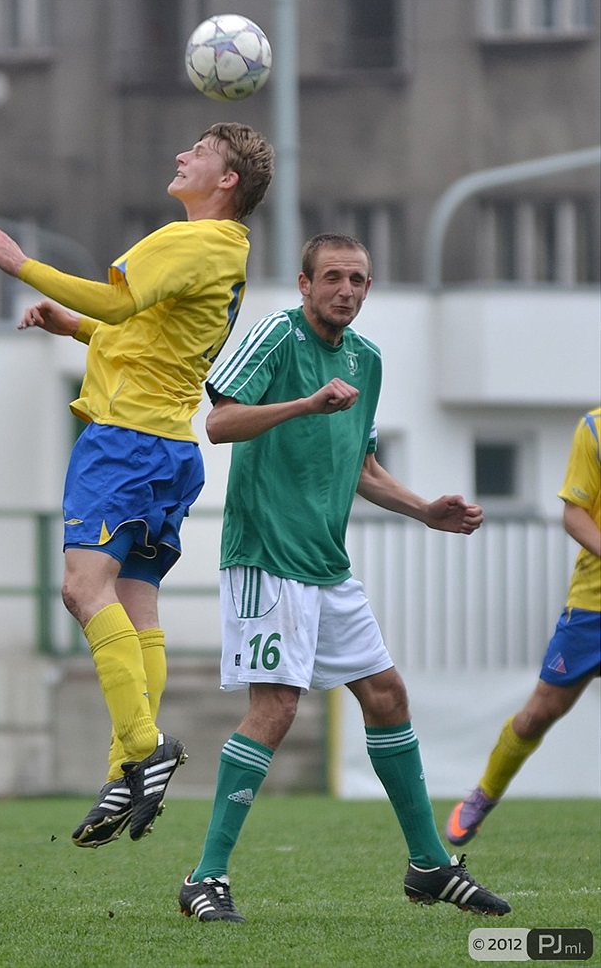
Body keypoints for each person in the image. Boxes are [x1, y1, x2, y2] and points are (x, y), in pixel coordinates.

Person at [177, 233, 511, 923]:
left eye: (358, 280)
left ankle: (429, 866)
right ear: (304, 285)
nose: (347, 292)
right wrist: (304, 403)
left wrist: (424, 509)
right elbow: (220, 423)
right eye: (332, 278)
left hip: (327, 565)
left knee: (387, 696)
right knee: (276, 708)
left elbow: (360, 466)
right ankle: (204, 878)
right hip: (265, 556)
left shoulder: (367, 360)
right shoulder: (276, 335)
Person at [0, 122, 274, 848]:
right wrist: (71, 328)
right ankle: (121, 775)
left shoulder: (190, 239)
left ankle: (144, 750)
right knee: (136, 606)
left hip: (126, 444)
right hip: (170, 447)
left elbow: (116, 304)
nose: (180, 155)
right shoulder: (228, 252)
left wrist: (23, 266)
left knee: (81, 589)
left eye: (197, 152)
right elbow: (147, 334)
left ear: (226, 180)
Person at [446, 408, 600, 846]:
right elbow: (575, 513)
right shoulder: (595, 427)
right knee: (537, 716)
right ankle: (485, 794)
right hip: (593, 605)